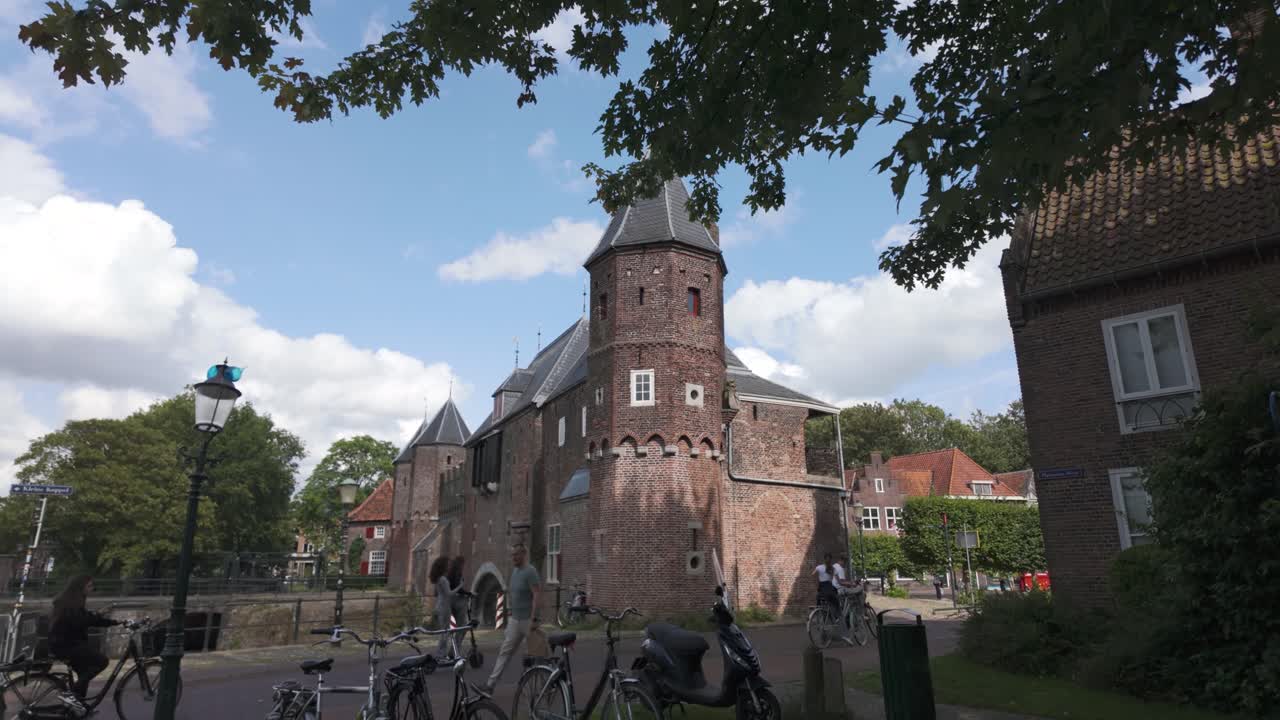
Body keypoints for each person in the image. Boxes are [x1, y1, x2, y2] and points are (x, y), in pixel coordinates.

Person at [48, 575, 117, 712]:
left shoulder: (73, 601)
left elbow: (86, 619)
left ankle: (75, 708)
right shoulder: (68, 603)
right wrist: (98, 615)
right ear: (80, 587)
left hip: (68, 643)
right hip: (65, 645)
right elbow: (82, 621)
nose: (92, 589)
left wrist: (114, 622)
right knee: (102, 661)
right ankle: (71, 696)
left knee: (85, 672)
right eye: (90, 586)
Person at [480, 544, 541, 694]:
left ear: (523, 555)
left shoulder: (530, 571)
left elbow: (537, 595)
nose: (513, 557)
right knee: (504, 652)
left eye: (516, 555)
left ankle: (545, 685)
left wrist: (534, 618)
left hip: (527, 620)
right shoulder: (514, 571)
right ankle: (490, 685)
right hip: (515, 620)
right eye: (512, 555)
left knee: (535, 655)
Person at [429, 556, 454, 656]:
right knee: (445, 631)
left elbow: (439, 593)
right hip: (444, 606)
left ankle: (441, 652)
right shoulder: (443, 579)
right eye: (448, 565)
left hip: (439, 605)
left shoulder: (438, 579)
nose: (449, 566)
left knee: (444, 630)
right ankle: (441, 653)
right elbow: (449, 593)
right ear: (444, 566)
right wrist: (460, 586)